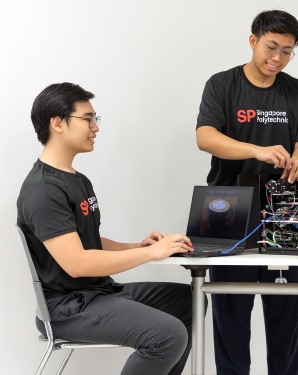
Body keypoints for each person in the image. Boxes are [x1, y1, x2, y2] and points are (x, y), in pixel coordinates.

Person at [17, 82, 196, 375]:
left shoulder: (77, 180)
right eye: (88, 119)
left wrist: (140, 247)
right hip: (68, 308)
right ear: (57, 123)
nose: (95, 128)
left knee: (189, 301)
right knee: (167, 334)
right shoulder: (44, 189)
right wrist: (152, 256)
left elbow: (89, 242)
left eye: (94, 120)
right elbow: (77, 262)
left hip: (98, 293)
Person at [195, 9, 298, 375]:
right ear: (253, 41)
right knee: (230, 310)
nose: (277, 58)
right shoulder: (222, 84)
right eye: (271, 47)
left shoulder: (297, 90)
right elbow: (206, 138)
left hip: (284, 207)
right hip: (225, 206)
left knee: (285, 310)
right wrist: (257, 151)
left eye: (287, 51)